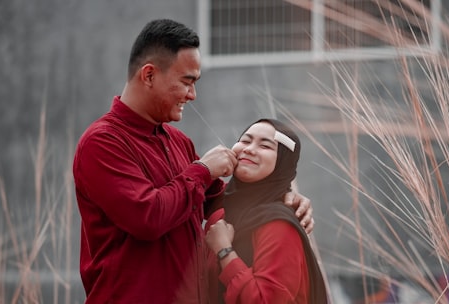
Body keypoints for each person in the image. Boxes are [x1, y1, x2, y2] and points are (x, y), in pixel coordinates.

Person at [72, 19, 314, 303]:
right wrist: (202, 170)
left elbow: (220, 203)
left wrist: (279, 199)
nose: (193, 95)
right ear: (148, 75)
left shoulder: (178, 141)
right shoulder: (102, 143)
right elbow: (148, 217)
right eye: (187, 81)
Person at [205, 118, 328, 304]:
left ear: (282, 164)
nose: (249, 149)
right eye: (245, 140)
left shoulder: (278, 224)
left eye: (266, 146)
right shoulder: (220, 211)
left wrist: (224, 251)